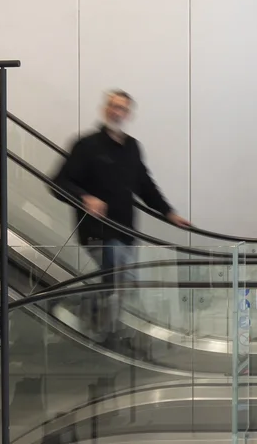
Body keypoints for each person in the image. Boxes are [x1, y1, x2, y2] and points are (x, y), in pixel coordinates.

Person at [54, 90, 191, 338]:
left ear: (128, 114)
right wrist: (86, 198)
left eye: (122, 108)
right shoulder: (86, 145)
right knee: (119, 281)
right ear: (105, 109)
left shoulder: (132, 147)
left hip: (126, 232)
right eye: (113, 106)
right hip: (97, 232)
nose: (117, 112)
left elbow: (145, 185)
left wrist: (169, 213)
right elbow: (59, 182)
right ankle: (79, 311)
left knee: (121, 286)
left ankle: (101, 334)